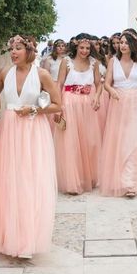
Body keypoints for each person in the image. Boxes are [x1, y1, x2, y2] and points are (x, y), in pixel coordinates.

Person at [0, 35, 61, 258]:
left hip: (34, 131)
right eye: (11, 48)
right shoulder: (5, 72)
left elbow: (57, 104)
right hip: (10, 129)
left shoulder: (41, 74)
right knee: (9, 180)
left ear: (29, 51)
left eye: (18, 48)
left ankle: (27, 239)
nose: (13, 52)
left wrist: (34, 110)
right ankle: (9, 235)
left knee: (30, 180)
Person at [99, 32, 137, 197]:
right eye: (121, 42)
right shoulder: (113, 61)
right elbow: (107, 84)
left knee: (134, 142)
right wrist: (112, 91)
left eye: (126, 43)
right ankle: (120, 180)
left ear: (132, 45)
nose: (122, 45)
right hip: (119, 104)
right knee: (121, 143)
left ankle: (131, 184)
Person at [53, 34, 102, 195]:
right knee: (71, 142)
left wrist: (96, 96)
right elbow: (59, 84)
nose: (85, 51)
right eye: (82, 47)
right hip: (70, 103)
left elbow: (98, 84)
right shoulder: (66, 62)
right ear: (76, 47)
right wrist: (58, 106)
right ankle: (73, 181)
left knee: (90, 141)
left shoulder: (94, 63)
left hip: (87, 104)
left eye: (88, 48)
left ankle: (90, 177)